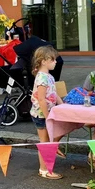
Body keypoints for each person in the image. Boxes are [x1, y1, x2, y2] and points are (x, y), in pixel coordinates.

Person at [30, 46, 66, 180]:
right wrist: (47, 116)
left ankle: (46, 168)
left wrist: (63, 106)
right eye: (52, 60)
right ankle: (44, 169)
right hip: (41, 114)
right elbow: (41, 99)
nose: (55, 62)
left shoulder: (48, 76)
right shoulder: (42, 78)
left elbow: (54, 94)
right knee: (45, 142)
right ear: (44, 61)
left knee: (48, 141)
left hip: (47, 113)